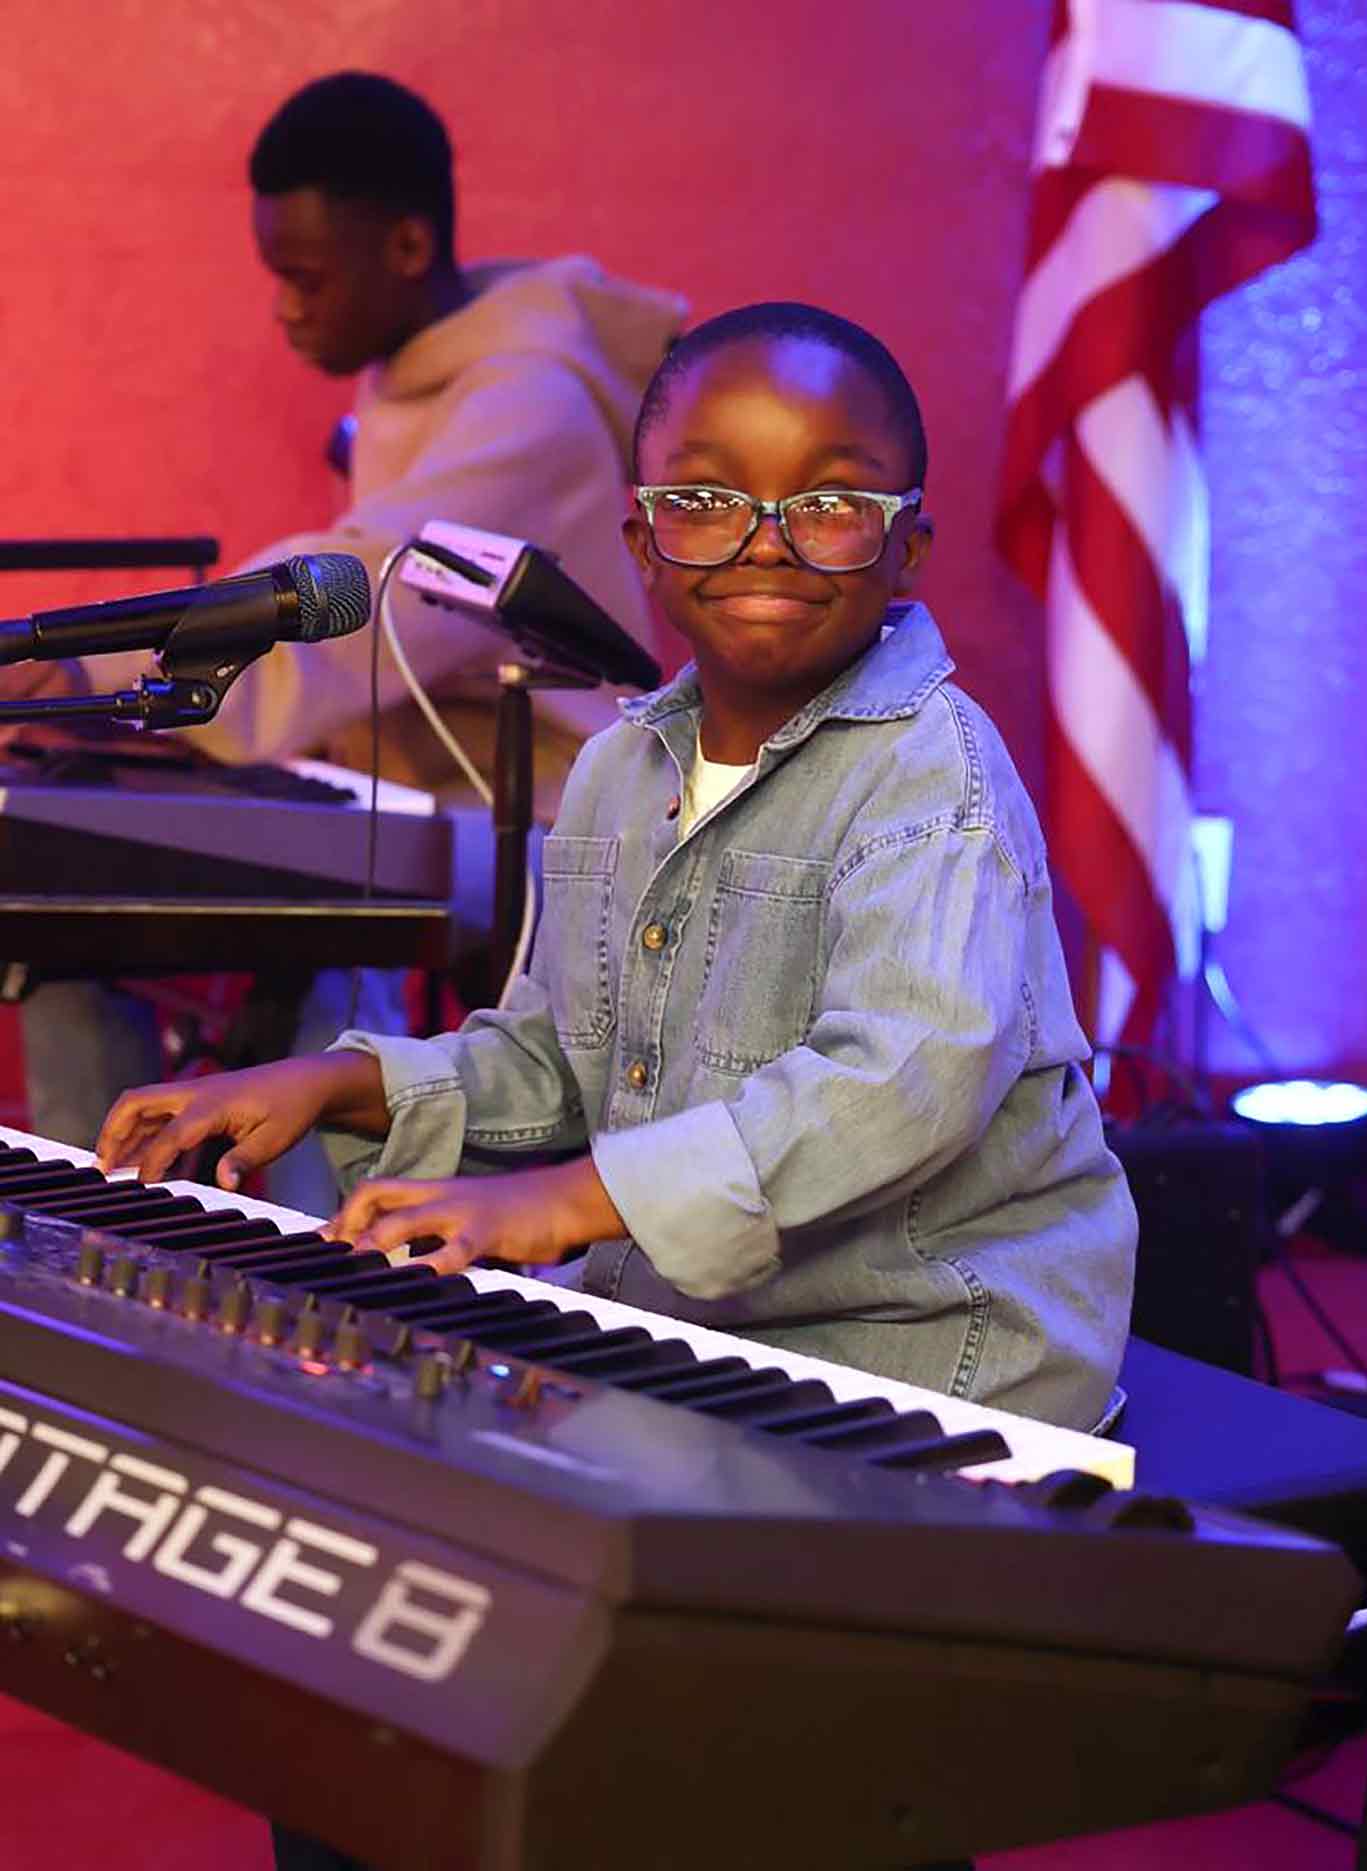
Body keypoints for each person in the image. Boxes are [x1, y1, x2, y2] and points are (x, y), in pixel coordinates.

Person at [97, 300, 1134, 1871]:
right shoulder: (619, 767)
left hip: (929, 1356)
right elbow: (551, 1056)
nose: (767, 541)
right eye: (708, 498)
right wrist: (330, 1077)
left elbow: (900, 1079)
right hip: (687, 1317)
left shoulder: (937, 775)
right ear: (645, 539)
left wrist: (566, 1197)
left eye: (831, 501)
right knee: (372, 1699)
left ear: (909, 543)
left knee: (667, 1724)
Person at [23, 71, 686, 1182]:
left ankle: (291, 1257)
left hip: (552, 821)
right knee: (69, 893)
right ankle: (97, 1220)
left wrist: (95, 658)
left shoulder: (531, 403)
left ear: (410, 246)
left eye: (307, 278)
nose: (286, 308)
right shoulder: (433, 370)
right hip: (404, 786)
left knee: (307, 896)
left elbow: (361, 595)